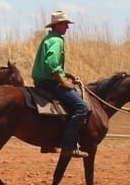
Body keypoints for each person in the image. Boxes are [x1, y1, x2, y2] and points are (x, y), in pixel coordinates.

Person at [32, 10, 89, 158]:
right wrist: (63, 81)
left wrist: (66, 74)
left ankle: (47, 144)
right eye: (65, 24)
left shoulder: (48, 39)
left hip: (42, 81)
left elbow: (50, 64)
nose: (67, 27)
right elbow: (51, 64)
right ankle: (69, 146)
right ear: (57, 25)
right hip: (50, 82)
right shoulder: (57, 41)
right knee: (81, 107)